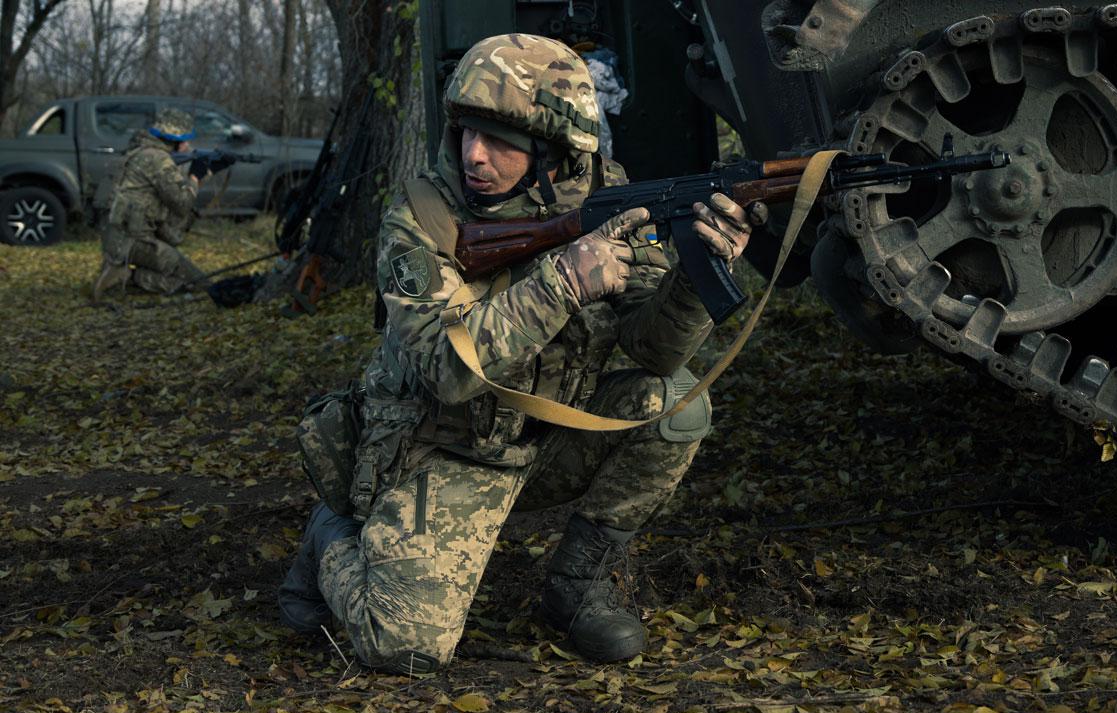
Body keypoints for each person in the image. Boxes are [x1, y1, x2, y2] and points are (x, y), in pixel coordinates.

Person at [278, 33, 760, 675]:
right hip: (443, 448)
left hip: (549, 435)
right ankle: (329, 537)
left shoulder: (606, 196)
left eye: (501, 140)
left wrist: (699, 274)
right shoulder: (420, 216)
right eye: (467, 133)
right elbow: (446, 372)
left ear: (555, 149)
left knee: (675, 406)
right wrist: (564, 282)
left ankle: (578, 586)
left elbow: (653, 351)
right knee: (402, 646)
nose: (475, 156)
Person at [93, 108, 208, 299]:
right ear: (175, 140)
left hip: (115, 238)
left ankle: (117, 271)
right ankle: (128, 277)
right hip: (133, 242)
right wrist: (195, 180)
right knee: (197, 281)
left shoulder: (137, 151)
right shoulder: (159, 160)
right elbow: (182, 204)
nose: (188, 146)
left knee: (178, 269)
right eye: (185, 140)